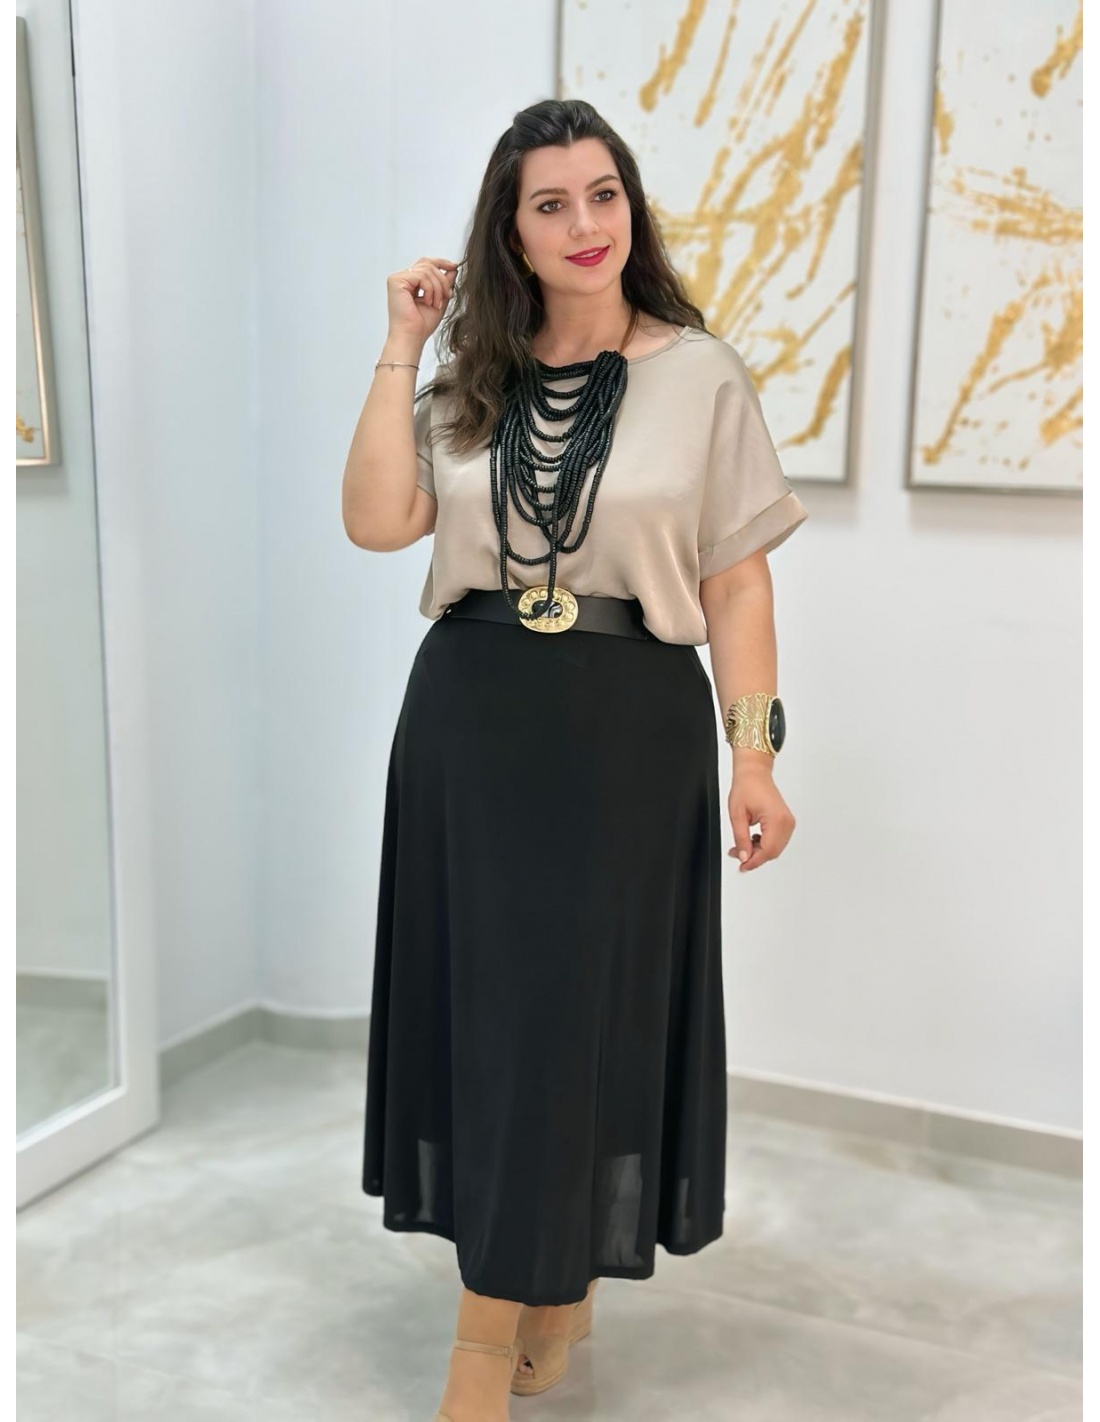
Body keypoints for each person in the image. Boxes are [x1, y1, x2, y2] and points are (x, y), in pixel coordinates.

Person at [342, 98, 808, 1422]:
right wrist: (402, 345)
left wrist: (756, 758)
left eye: (603, 194)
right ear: (512, 229)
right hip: (472, 719)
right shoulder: (467, 379)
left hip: (628, 729)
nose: (585, 224)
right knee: (499, 1020)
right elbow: (376, 521)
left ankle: (502, 1333)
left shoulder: (701, 377)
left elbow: (739, 584)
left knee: (583, 1014)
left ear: (630, 207)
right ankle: (530, 1299)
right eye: (550, 203)